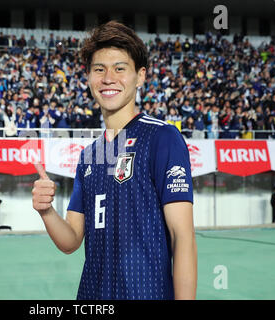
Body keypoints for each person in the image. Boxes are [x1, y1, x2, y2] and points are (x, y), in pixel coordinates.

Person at [32, 21, 197, 300]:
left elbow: (183, 238)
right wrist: (46, 211)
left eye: (120, 68)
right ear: (88, 77)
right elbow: (72, 240)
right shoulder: (89, 156)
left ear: (140, 76)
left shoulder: (163, 138)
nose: (108, 78)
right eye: (99, 69)